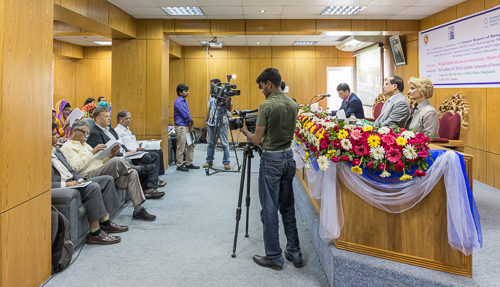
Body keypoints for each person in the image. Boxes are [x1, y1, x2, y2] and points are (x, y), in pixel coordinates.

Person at [240, 68, 303, 270]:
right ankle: (294, 252)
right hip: (288, 158)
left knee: (269, 209)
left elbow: (257, 139)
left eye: (261, 87)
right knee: (287, 207)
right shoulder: (293, 104)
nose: (261, 91)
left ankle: (274, 256)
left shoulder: (266, 106)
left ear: (268, 83)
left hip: (271, 161)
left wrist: (245, 131)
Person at [60, 120, 157, 221]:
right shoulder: (67, 147)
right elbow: (75, 168)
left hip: (99, 170)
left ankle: (138, 210)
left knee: (131, 173)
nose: (87, 136)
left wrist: (111, 156)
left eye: (88, 134)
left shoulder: (85, 145)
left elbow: (98, 161)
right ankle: (139, 168)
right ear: (75, 131)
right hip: (86, 176)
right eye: (85, 133)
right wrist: (93, 152)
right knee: (117, 161)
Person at [51, 123, 126, 245]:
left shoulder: (56, 151)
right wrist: (67, 185)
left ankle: (105, 222)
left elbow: (71, 169)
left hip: (76, 179)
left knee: (107, 179)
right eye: (54, 134)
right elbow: (43, 184)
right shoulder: (63, 148)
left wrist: (80, 179)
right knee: (93, 187)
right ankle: (95, 233)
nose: (57, 136)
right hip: (66, 185)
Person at [86, 107, 164, 199]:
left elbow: (121, 144)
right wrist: (124, 154)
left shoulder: (110, 129)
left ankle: (149, 186)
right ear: (97, 119)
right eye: (106, 116)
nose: (109, 118)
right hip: (115, 158)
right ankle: (146, 187)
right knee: (146, 157)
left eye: (109, 116)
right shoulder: (94, 133)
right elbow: (101, 154)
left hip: (124, 153)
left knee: (155, 154)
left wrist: (127, 151)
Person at [115, 110, 167, 188]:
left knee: (158, 151)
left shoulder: (127, 129)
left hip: (137, 149)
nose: (129, 120)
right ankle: (151, 184)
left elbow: (133, 141)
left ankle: (156, 178)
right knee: (154, 155)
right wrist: (137, 149)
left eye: (129, 118)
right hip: (132, 152)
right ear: (119, 120)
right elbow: (123, 147)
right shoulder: (118, 131)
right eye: (126, 119)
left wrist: (146, 141)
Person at [204, 78, 232, 170]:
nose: (211, 87)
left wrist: (228, 101)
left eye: (212, 85)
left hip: (222, 122)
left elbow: (229, 109)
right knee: (210, 144)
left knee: (224, 143)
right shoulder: (211, 96)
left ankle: (226, 162)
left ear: (217, 85)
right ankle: (209, 161)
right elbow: (210, 109)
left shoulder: (225, 95)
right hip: (212, 122)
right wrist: (206, 120)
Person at [173, 84, 199, 172]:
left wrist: (190, 125)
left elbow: (188, 114)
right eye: (185, 91)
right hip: (181, 127)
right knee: (181, 146)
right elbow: (185, 115)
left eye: (187, 91)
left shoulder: (185, 101)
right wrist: (191, 122)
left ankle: (189, 163)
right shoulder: (178, 102)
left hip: (187, 126)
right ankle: (179, 165)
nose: (187, 93)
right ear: (180, 92)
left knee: (190, 145)